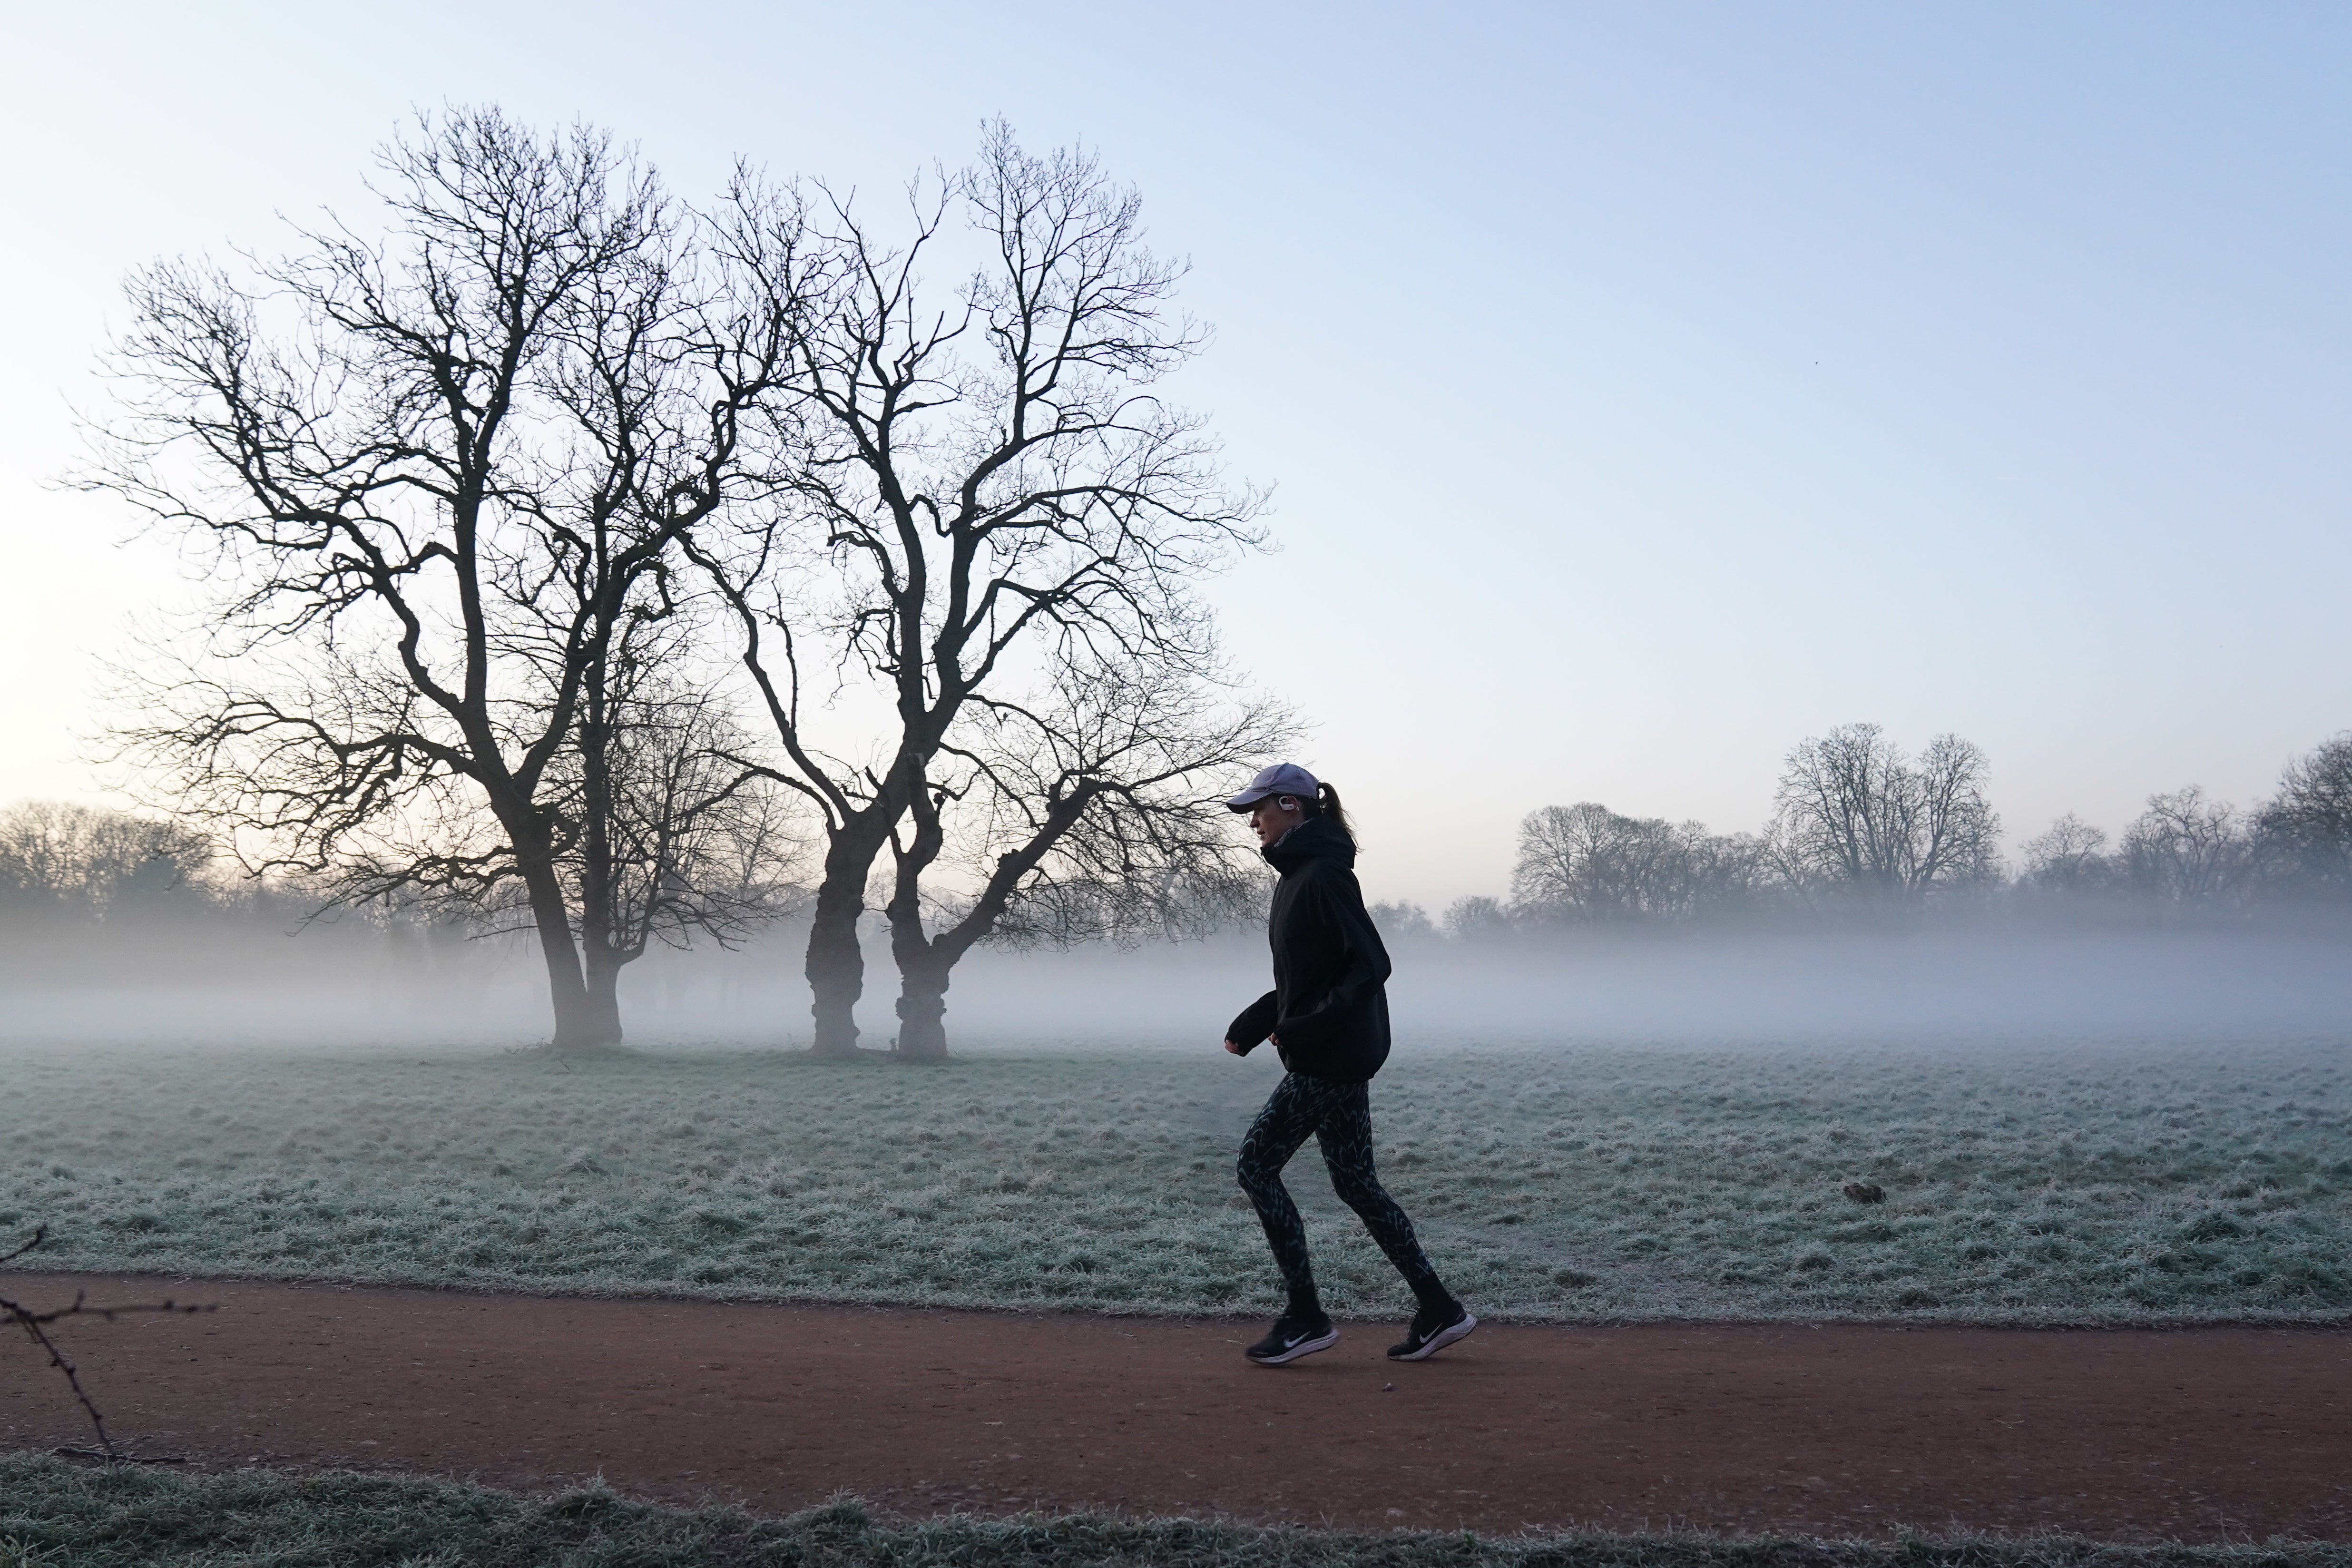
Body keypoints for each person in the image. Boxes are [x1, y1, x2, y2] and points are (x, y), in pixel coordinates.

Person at [1221, 761, 1476, 1366]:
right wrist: (1258, 1020)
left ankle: (1306, 1317)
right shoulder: (1297, 877)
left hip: (1331, 1055)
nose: (1253, 821)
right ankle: (1439, 1308)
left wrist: (1303, 1026)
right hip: (1336, 1052)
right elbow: (1310, 975)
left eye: (1260, 809)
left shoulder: (1325, 873)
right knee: (1356, 1182)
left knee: (1256, 1165)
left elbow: (1370, 964)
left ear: (1292, 805)